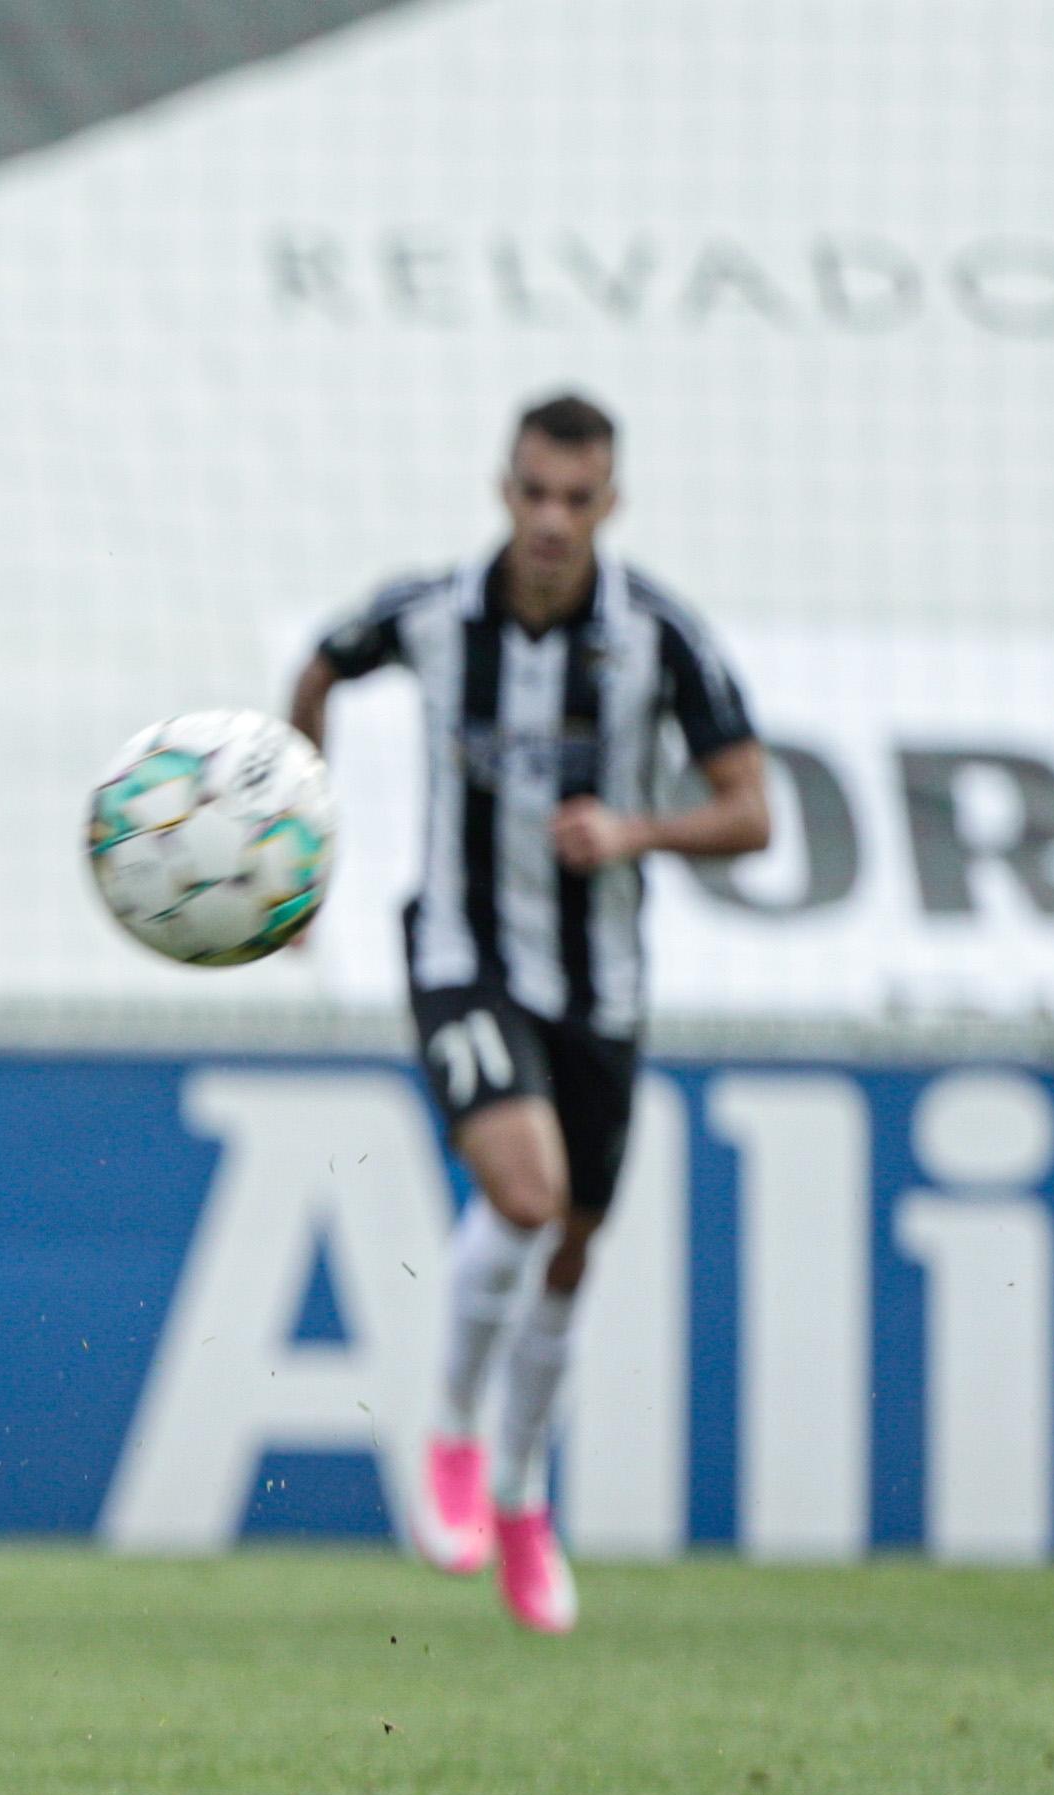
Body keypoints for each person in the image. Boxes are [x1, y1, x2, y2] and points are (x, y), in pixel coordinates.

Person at [292, 391, 769, 1633]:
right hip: (461, 952)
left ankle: (518, 1496)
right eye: (531, 493)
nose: (550, 520)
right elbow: (318, 667)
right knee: (522, 1192)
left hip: (597, 983)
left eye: (576, 499)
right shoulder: (431, 613)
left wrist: (635, 830)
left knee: (566, 1252)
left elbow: (751, 810)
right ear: (502, 489)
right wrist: (297, 845)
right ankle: (449, 1440)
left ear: (607, 503)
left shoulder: (657, 637)